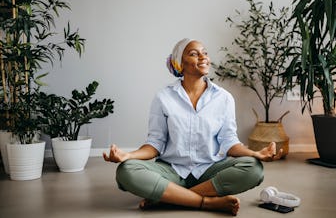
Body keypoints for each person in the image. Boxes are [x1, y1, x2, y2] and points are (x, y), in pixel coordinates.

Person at [103, 38, 283, 216]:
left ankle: (168, 199)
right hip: (171, 170)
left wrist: (255, 154)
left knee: (254, 169)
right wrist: (128, 155)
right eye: (194, 54)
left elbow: (229, 142)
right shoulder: (163, 98)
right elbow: (155, 144)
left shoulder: (224, 98)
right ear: (180, 63)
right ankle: (205, 202)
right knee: (126, 170)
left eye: (205, 52)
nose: (203, 57)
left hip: (210, 171)